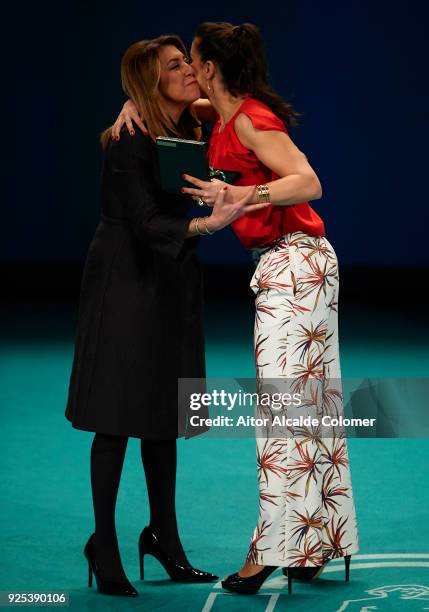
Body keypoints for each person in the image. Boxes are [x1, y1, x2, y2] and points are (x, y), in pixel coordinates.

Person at [114, 21, 359, 596]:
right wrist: (131, 100)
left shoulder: (249, 118)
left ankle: (269, 549)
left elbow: (309, 181)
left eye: (192, 60)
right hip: (295, 265)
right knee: (311, 412)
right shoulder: (216, 115)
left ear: (211, 67)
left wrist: (251, 195)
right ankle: (316, 543)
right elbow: (162, 97)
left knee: (283, 415)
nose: (187, 70)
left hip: (296, 264)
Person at [65, 34, 268, 598]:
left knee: (162, 413)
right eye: (175, 67)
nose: (188, 72)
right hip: (126, 281)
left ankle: (164, 539)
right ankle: (103, 543)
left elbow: (215, 100)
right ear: (150, 84)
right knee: (116, 414)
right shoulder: (128, 140)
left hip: (169, 281)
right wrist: (208, 225)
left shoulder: (188, 123)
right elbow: (144, 225)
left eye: (187, 63)